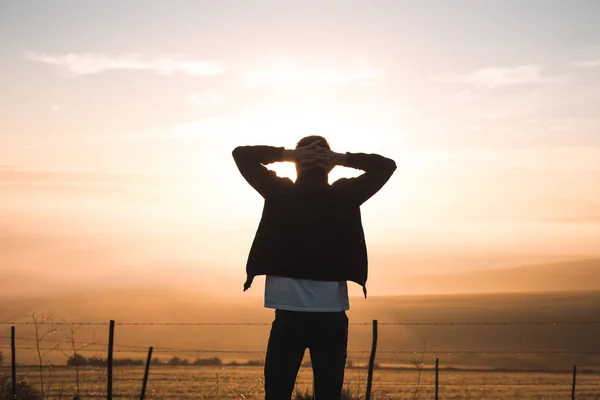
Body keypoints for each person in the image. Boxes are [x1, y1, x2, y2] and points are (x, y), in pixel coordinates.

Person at [232, 135, 396, 400]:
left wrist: (288, 154)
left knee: (276, 393)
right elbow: (386, 166)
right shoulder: (345, 194)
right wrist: (341, 159)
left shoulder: (279, 191)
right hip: (331, 316)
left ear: (297, 164)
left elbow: (241, 154)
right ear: (329, 166)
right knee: (328, 395)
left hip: (288, 316)